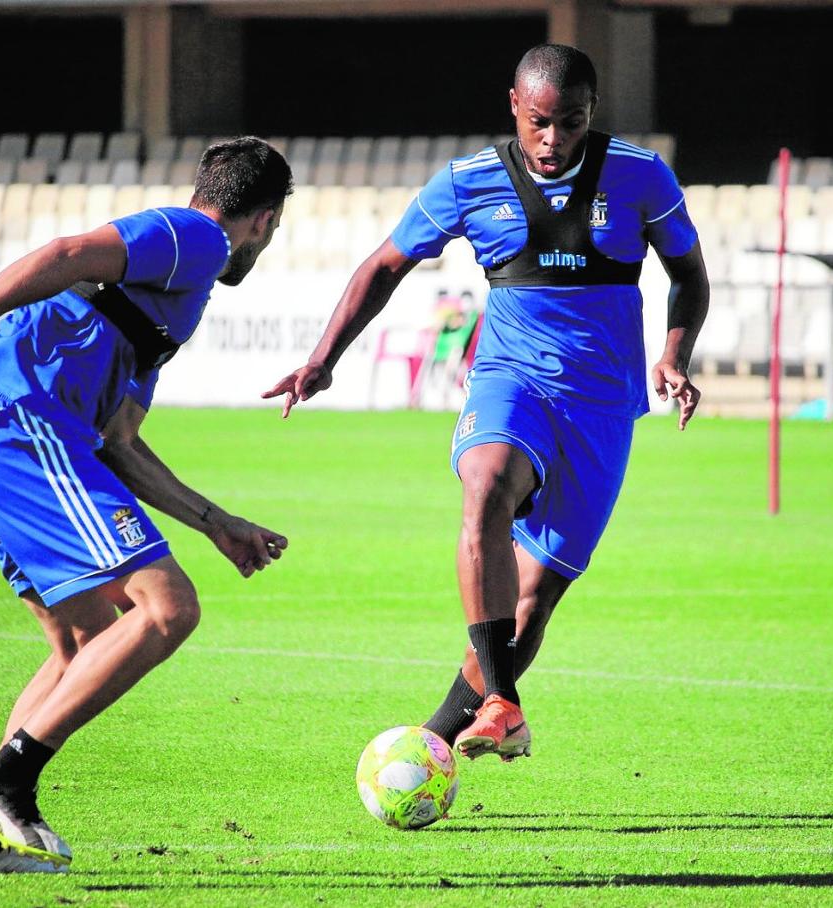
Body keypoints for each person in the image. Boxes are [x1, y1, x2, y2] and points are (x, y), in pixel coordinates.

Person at [264, 44, 708, 762]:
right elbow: (384, 266)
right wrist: (323, 359)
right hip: (511, 379)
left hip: (601, 406)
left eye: (570, 122)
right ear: (513, 106)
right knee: (487, 485)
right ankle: (501, 701)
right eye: (539, 121)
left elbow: (689, 276)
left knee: (531, 605)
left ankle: (436, 741)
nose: (553, 139)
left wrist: (673, 356)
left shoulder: (640, 176)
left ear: (592, 113)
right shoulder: (469, 181)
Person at [0, 137, 293, 873]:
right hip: (22, 422)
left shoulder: (171, 300)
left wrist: (216, 522)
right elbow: (66, 252)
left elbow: (118, 443)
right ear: (265, 222)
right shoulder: (196, 237)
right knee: (168, 609)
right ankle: (3, 782)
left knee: (82, 643)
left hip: (14, 435)